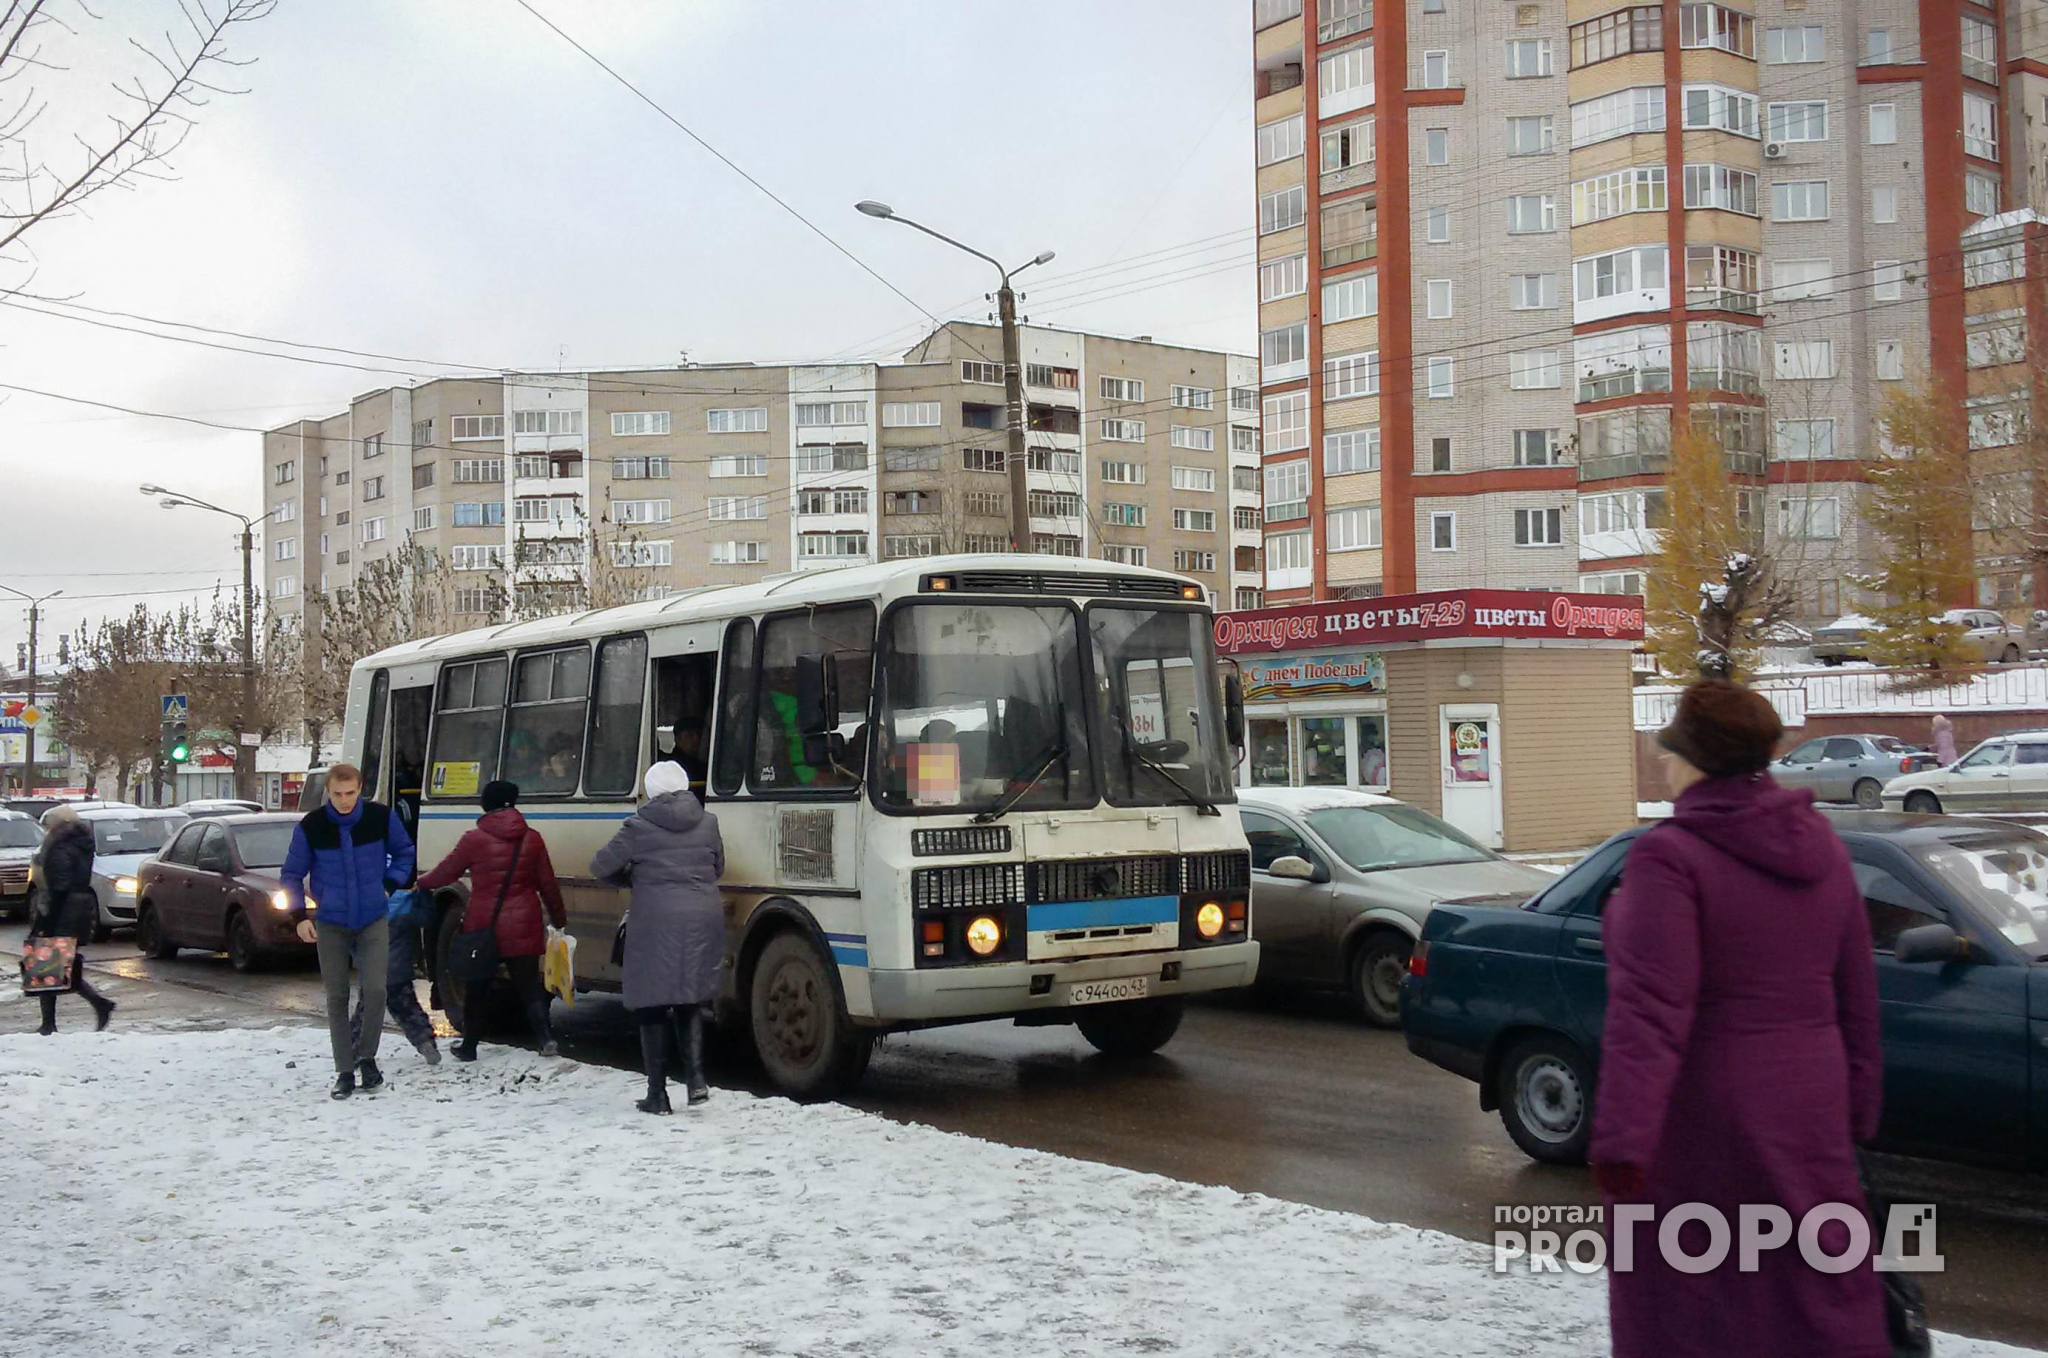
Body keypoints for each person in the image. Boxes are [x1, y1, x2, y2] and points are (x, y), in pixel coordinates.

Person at [1590, 679, 1887, 1358]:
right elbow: (1857, 993)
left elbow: (1650, 1009)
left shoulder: (1671, 856)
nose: (1662, 762)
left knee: (1698, 1299)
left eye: (1670, 749)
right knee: (1810, 1287)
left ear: (1696, 760)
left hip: (1707, 1115)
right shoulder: (1821, 846)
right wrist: (1860, 1107)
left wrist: (1622, 1141)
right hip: (1810, 1104)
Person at [590, 760, 724, 1114]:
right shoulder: (708, 822)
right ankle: (696, 1083)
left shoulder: (638, 826)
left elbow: (600, 866)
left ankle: (657, 1095)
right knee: (689, 996)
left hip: (656, 919)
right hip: (702, 916)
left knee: (651, 1003)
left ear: (651, 791)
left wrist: (634, 879)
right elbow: (717, 866)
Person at [280, 762, 417, 1101]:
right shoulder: (312, 827)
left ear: (360, 789)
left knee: (375, 991)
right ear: (328, 792)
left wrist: (388, 886)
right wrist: (300, 916)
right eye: (338, 794)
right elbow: (292, 874)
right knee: (337, 997)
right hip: (331, 921)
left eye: (351, 793)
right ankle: (345, 1070)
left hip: (372, 916)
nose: (345, 800)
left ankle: (367, 1058)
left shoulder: (380, 818)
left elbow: (405, 854)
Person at [416, 780, 567, 1061]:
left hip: (485, 924)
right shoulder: (531, 838)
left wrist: (420, 882)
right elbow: (547, 884)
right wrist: (558, 918)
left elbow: (446, 872)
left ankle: (469, 1046)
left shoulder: (474, 839)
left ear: (486, 804)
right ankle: (546, 1039)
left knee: (478, 987)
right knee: (528, 986)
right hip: (525, 922)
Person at [25, 806, 114, 1034]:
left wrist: (45, 920)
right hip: (77, 907)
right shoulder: (80, 843)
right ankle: (99, 1004)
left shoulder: (60, 846)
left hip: (63, 908)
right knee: (61, 963)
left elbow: (59, 885)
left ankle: (49, 1023)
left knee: (46, 960)